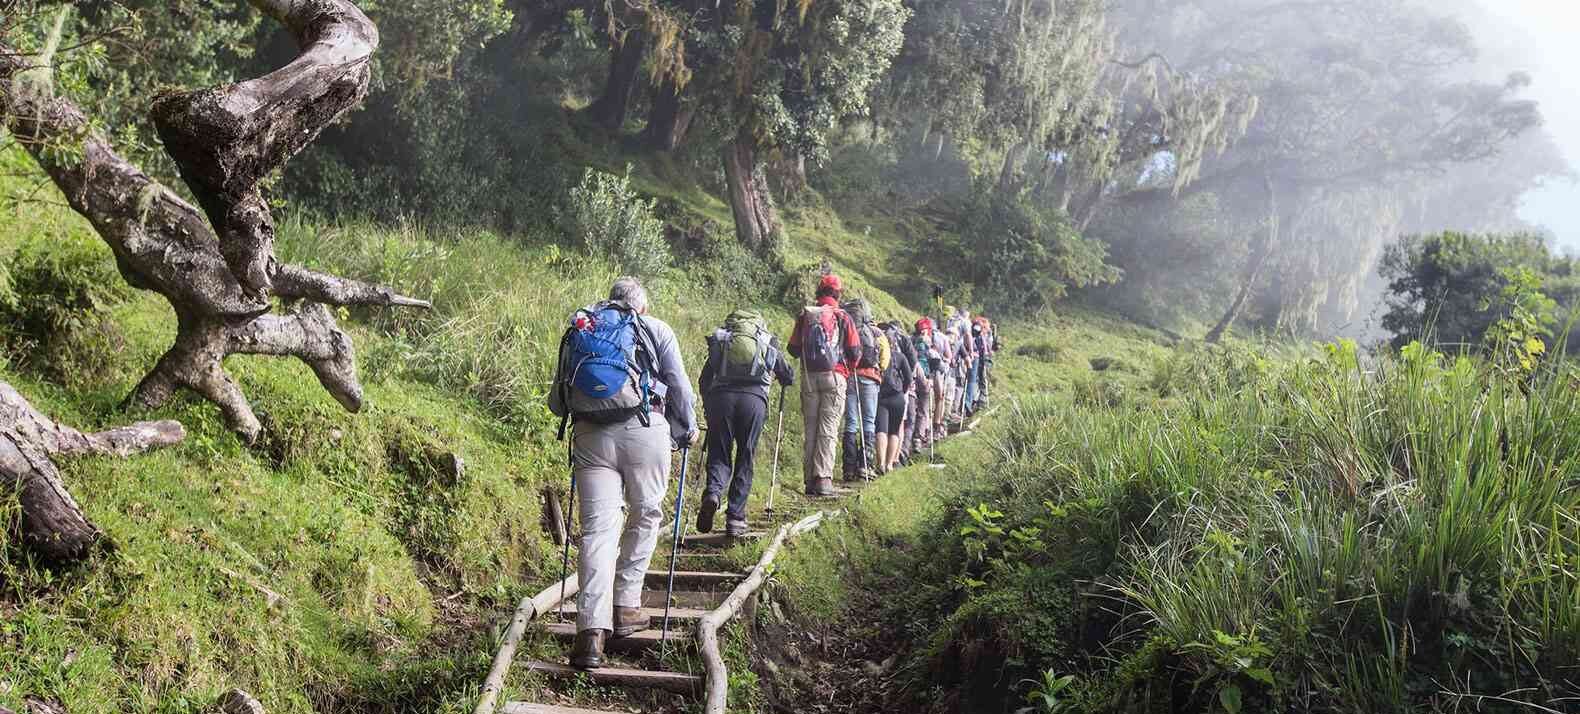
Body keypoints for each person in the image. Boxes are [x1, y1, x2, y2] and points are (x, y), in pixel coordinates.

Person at [548, 277, 698, 671]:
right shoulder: (656, 329)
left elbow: (555, 401)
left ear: (609, 302)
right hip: (644, 429)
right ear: (641, 307)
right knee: (645, 513)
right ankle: (626, 605)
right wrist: (689, 428)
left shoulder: (583, 327)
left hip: (589, 437)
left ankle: (589, 636)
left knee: (597, 531)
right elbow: (680, 386)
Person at [696, 309, 795, 536]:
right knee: (745, 455)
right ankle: (735, 518)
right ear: (757, 323)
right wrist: (783, 377)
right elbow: (787, 374)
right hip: (753, 401)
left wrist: (708, 404)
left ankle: (712, 492)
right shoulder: (765, 339)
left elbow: (704, 379)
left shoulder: (723, 338)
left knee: (719, 453)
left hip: (721, 399)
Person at [787, 275, 862, 497]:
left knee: (810, 429)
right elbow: (856, 351)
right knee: (827, 428)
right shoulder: (842, 316)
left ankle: (809, 480)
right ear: (838, 294)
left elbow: (792, 348)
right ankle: (823, 478)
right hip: (835, 376)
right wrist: (848, 366)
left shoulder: (806, 315)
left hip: (809, 377)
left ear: (819, 292)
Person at [841, 299, 887, 481]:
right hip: (870, 378)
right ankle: (865, 466)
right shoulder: (876, 332)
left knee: (851, 422)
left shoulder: (846, 328)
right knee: (868, 421)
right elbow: (885, 359)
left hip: (850, 376)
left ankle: (848, 469)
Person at [874, 321, 913, 473]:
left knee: (881, 430)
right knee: (894, 431)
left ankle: (880, 464)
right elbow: (909, 378)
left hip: (881, 396)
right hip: (898, 397)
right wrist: (902, 390)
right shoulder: (900, 356)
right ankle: (890, 464)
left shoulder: (877, 356)